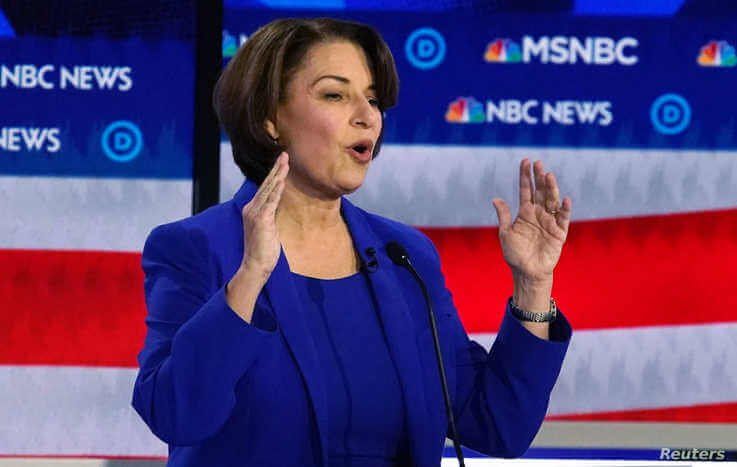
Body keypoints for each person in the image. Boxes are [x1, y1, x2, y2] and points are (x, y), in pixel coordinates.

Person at [131, 17, 573, 467]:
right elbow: (175, 415)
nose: (366, 116)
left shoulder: (405, 255)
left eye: (373, 99)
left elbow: (496, 424)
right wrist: (250, 277)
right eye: (335, 95)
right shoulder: (196, 248)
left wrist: (533, 285)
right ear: (269, 120)